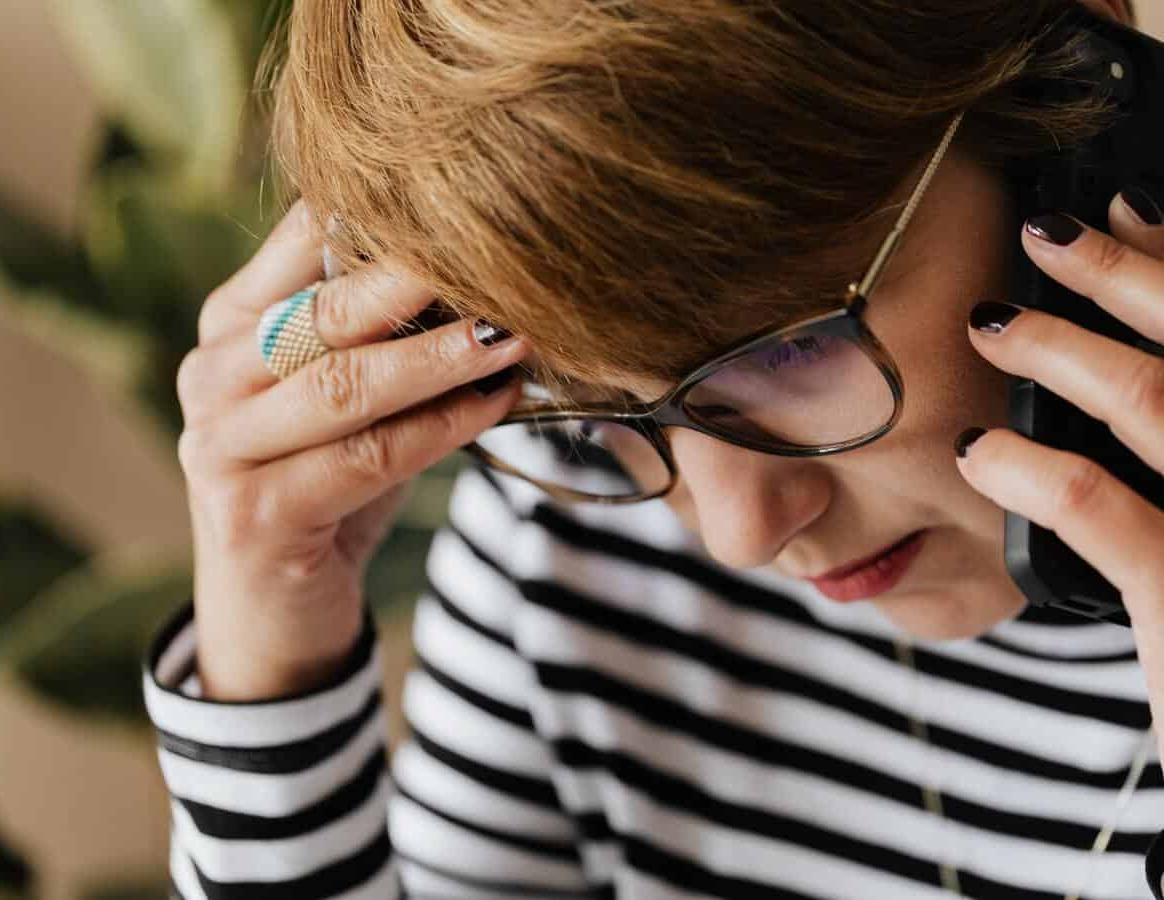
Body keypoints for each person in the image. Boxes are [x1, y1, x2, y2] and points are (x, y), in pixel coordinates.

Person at [144, 0, 1164, 896]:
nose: (738, 534)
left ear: (1076, 94)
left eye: (791, 349)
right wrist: (270, 672)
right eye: (589, 403)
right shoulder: (566, 522)